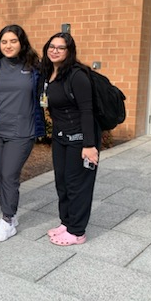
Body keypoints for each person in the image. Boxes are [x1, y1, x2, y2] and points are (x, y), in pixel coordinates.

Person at [0, 25, 45, 242]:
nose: (8, 45)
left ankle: (7, 219)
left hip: (22, 131)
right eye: (4, 42)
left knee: (10, 175)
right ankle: (11, 212)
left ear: (22, 43)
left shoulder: (34, 68)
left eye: (13, 41)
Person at [40, 32, 99, 246]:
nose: (55, 50)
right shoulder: (49, 73)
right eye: (52, 46)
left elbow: (87, 110)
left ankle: (77, 231)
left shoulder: (77, 75)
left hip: (80, 139)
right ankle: (66, 222)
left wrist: (89, 145)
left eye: (60, 48)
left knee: (78, 185)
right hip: (61, 137)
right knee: (62, 183)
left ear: (69, 51)